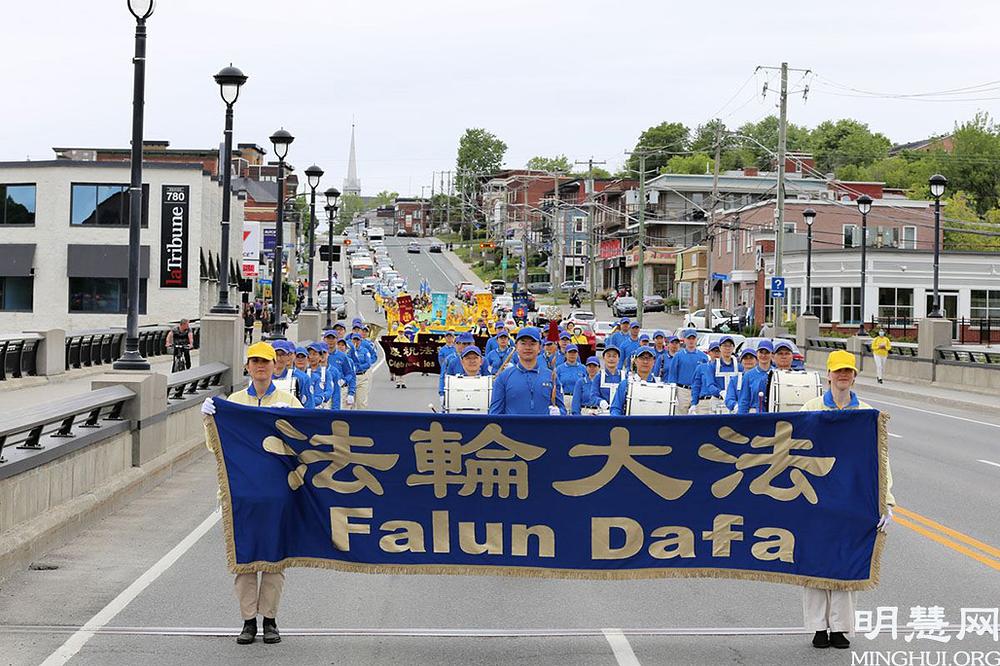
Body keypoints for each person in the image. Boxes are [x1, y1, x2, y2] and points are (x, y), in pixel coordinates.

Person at [200, 342, 301, 645]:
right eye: (255, 361)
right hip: (242, 494)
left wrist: (292, 422)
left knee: (273, 560)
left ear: (274, 366)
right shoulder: (235, 402)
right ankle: (247, 621)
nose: (260, 366)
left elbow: (303, 446)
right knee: (244, 559)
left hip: (276, 493)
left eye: (265, 362)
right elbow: (215, 447)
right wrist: (209, 421)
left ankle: (269, 619)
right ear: (247, 366)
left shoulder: (289, 401)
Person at [799, 349, 895, 650]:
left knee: (846, 561)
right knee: (815, 561)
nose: (843, 376)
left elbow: (880, 460)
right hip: (815, 497)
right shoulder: (810, 408)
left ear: (854, 376)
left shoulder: (866, 414)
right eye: (838, 370)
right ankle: (818, 627)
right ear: (828, 374)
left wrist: (886, 501)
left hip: (852, 499)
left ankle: (841, 628)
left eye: (848, 371)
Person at [489, 327, 565, 415]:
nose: (528, 347)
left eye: (532, 344)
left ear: (539, 347)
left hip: (544, 424)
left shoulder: (551, 376)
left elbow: (563, 410)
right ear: (516, 346)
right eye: (523, 343)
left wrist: (559, 412)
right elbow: (494, 414)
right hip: (513, 425)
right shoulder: (503, 378)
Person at [691, 337, 738, 414]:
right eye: (714, 351)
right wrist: (694, 403)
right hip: (710, 401)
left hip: (731, 401)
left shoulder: (737, 365)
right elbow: (699, 385)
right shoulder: (707, 367)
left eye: (730, 346)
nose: (716, 353)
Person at [609, 347, 662, 415]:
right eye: (642, 358)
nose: (645, 361)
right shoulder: (625, 384)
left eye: (649, 358)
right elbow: (615, 409)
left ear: (654, 361)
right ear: (635, 361)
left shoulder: (659, 386)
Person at [668, 329, 709, 413]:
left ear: (696, 340)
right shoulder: (678, 356)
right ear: (684, 340)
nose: (691, 341)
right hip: (682, 391)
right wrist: (673, 392)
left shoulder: (703, 357)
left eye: (693, 338)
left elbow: (706, 376)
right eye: (689, 338)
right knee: (681, 415)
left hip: (697, 391)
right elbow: (672, 374)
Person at [736, 339, 774, 413]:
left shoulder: (776, 374)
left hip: (773, 414)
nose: (763, 355)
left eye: (767, 352)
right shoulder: (748, 375)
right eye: (761, 352)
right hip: (754, 414)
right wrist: (741, 417)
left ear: (772, 355)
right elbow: (744, 401)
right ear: (757, 354)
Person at [591, 345, 624, 412]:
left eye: (614, 356)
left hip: (621, 413)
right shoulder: (599, 376)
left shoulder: (624, 376)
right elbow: (593, 396)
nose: (611, 359)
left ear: (618, 358)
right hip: (603, 412)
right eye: (608, 356)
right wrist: (600, 401)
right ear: (604, 358)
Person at [725, 347, 758, 412]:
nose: (748, 360)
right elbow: (729, 399)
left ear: (757, 360)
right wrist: (735, 405)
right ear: (741, 361)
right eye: (745, 358)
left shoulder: (761, 377)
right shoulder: (735, 380)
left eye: (751, 358)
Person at [555, 344, 586, 411]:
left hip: (578, 398)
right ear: (565, 354)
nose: (572, 355)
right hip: (564, 398)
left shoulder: (583, 368)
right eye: (570, 352)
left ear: (577, 354)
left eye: (574, 353)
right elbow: (556, 386)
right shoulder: (559, 368)